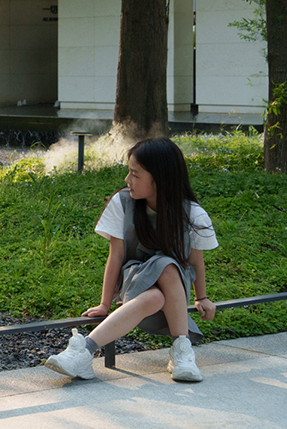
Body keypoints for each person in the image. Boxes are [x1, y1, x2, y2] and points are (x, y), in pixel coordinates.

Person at [45, 137, 218, 382]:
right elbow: (115, 255)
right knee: (165, 266)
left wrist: (202, 297)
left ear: (159, 179)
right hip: (134, 279)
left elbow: (195, 261)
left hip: (172, 289)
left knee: (166, 272)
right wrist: (105, 303)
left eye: (135, 174)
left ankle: (84, 351)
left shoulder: (191, 213)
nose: (128, 180)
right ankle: (182, 350)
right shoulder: (123, 203)